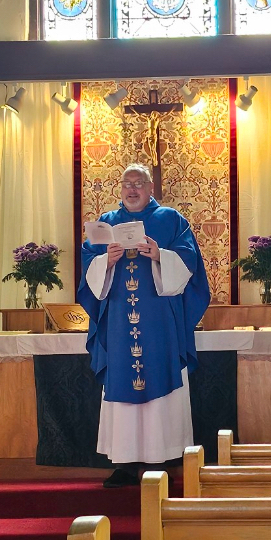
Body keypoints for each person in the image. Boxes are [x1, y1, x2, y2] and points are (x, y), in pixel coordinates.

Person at [77, 163, 210, 486]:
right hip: (119, 323)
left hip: (159, 322)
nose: (132, 189)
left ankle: (161, 458)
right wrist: (103, 262)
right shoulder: (107, 223)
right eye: (127, 183)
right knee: (121, 380)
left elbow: (190, 262)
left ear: (151, 188)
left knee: (160, 375)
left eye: (139, 183)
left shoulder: (170, 219)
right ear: (120, 189)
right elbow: (88, 270)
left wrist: (159, 254)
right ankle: (124, 463)